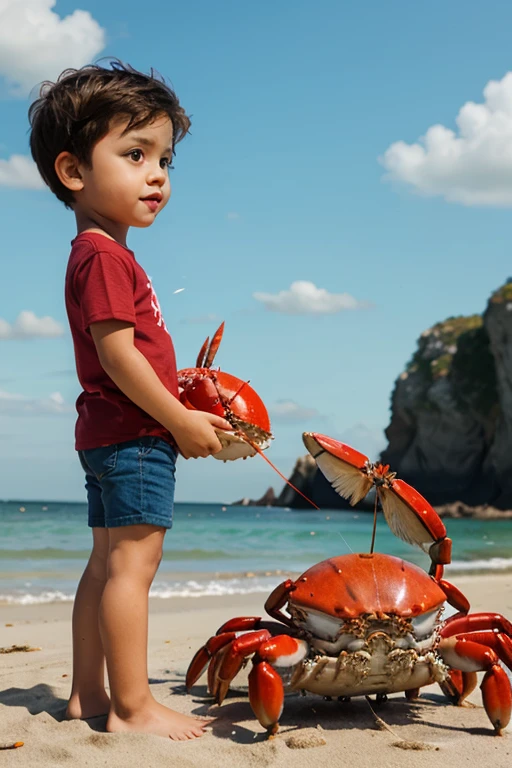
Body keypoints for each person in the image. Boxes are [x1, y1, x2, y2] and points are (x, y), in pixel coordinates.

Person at [28, 61, 232, 741]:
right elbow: (118, 355)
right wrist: (176, 419)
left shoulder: (94, 252)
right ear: (73, 171)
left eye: (166, 159)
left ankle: (88, 695)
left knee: (104, 563)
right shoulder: (108, 258)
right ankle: (132, 704)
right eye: (135, 154)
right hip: (136, 436)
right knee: (133, 569)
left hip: (105, 433)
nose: (157, 176)